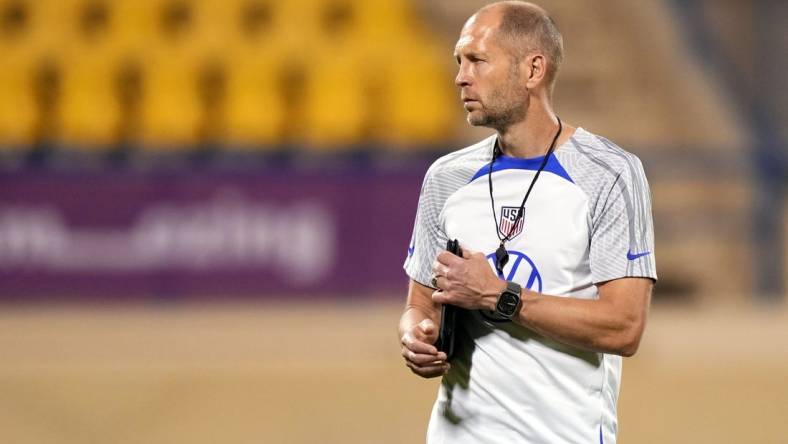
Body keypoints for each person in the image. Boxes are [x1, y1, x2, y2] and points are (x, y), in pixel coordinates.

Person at [398, 1, 657, 443]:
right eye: (459, 61)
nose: (461, 76)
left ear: (532, 69)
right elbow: (419, 303)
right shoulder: (446, 178)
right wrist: (416, 335)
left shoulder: (610, 174)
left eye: (477, 60)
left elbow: (624, 327)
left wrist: (499, 295)